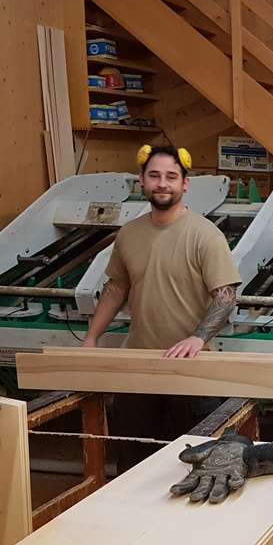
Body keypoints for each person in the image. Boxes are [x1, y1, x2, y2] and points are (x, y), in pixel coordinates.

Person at [82, 143, 242, 470]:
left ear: (185, 184)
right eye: (154, 176)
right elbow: (116, 288)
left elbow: (225, 296)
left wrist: (198, 338)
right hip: (138, 367)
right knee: (133, 463)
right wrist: (91, 338)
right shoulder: (129, 234)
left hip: (191, 370)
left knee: (192, 465)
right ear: (142, 180)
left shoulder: (205, 235)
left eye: (171, 176)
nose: (162, 184)